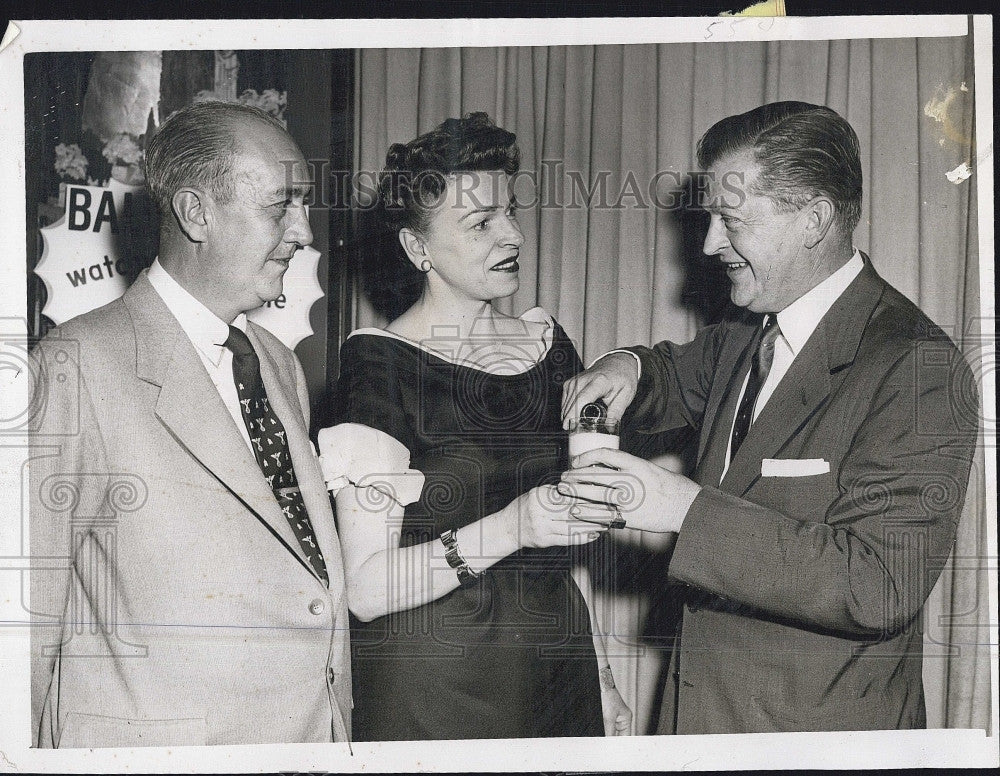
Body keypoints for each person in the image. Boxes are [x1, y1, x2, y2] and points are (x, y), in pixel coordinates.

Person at [560, 101, 977, 734]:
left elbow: (879, 582)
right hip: (698, 721)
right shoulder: (747, 332)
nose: (709, 244)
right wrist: (629, 365)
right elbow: (671, 372)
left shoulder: (918, 367)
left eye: (731, 220)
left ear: (814, 220)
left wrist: (684, 511)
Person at [29, 101, 352, 747]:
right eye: (280, 206)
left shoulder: (277, 364)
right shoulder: (74, 363)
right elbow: (22, 620)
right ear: (195, 212)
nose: (305, 231)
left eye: (305, 205)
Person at [318, 113, 631, 740]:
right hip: (435, 689)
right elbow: (366, 588)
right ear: (418, 248)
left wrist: (603, 678)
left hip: (555, 673)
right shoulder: (377, 364)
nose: (512, 234)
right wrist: (515, 525)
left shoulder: (549, 347)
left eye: (510, 212)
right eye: (480, 223)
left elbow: (561, 541)